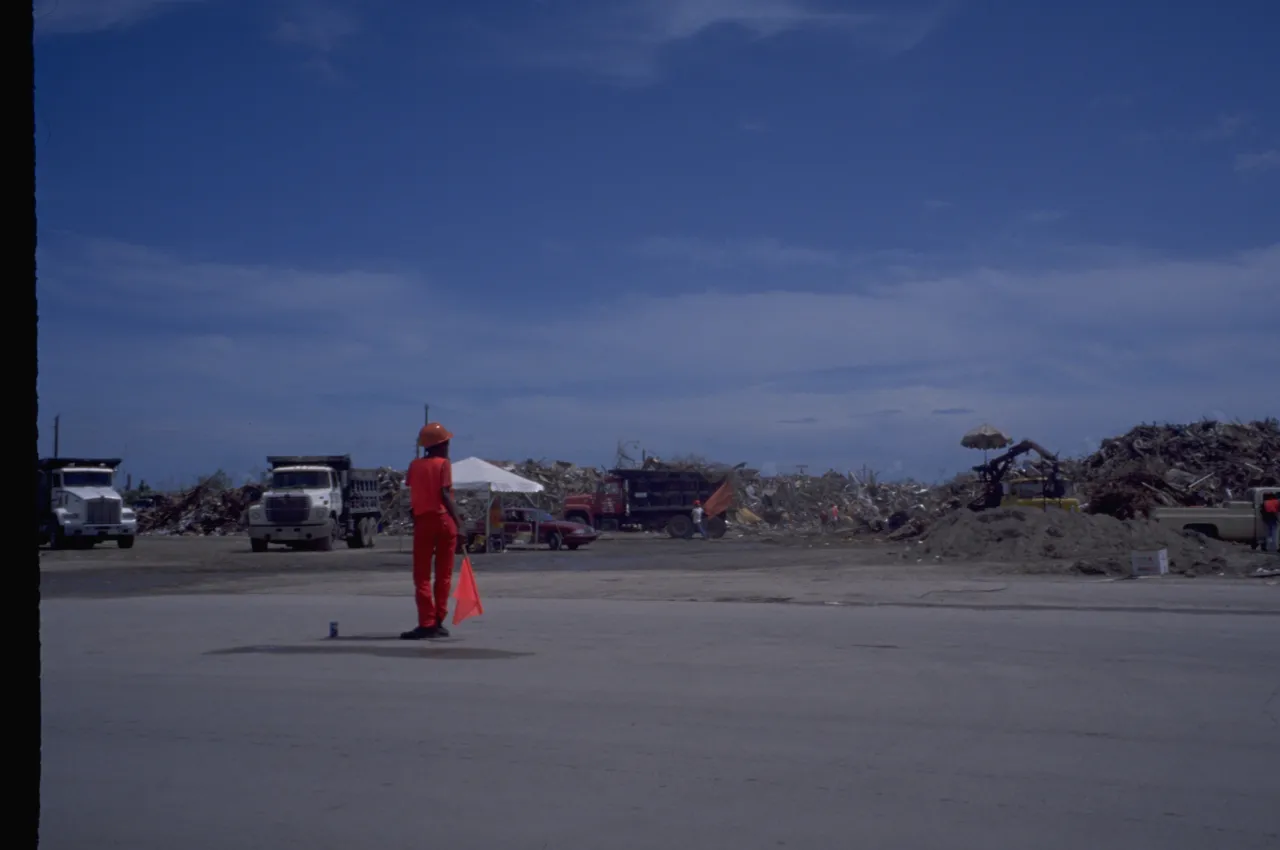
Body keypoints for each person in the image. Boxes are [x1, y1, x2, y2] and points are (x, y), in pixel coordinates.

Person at [401, 422, 464, 639]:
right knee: (444, 575)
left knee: (422, 576)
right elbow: (445, 494)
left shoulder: (414, 465)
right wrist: (460, 524)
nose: (448, 446)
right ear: (438, 445)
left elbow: (415, 492)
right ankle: (438, 620)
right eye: (446, 442)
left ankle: (426, 622)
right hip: (445, 522)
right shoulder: (444, 464)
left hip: (423, 522)